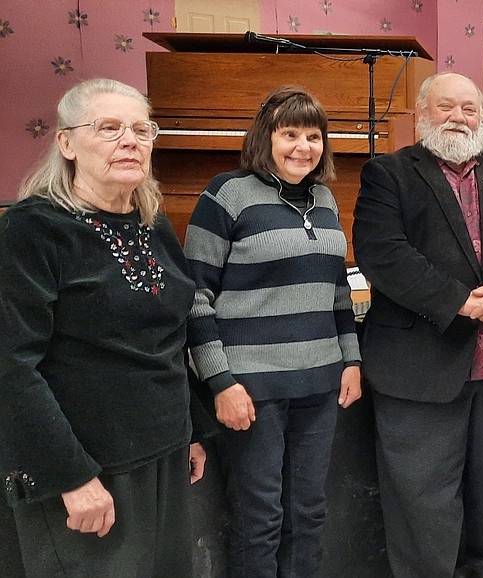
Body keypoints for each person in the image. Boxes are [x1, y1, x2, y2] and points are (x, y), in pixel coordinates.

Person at [0, 78, 207, 575]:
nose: (131, 140)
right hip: (84, 465)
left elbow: (167, 336)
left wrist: (189, 430)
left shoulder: (150, 222)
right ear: (66, 143)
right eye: (108, 128)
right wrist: (70, 477)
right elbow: (11, 364)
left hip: (161, 452)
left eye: (141, 128)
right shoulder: (33, 228)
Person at [353, 72, 483, 578]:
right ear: (422, 114)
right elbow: (384, 255)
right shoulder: (388, 173)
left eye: (470, 108)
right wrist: (460, 302)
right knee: (423, 497)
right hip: (420, 368)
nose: (459, 117)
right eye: (447, 106)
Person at [184, 85, 362, 576]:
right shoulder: (227, 194)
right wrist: (220, 382)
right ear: (266, 137)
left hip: (320, 384)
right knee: (259, 517)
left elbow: (337, 291)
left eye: (313, 136)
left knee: (308, 513)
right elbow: (196, 296)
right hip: (251, 389)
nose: (303, 147)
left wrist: (350, 361)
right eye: (290, 134)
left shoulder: (325, 198)